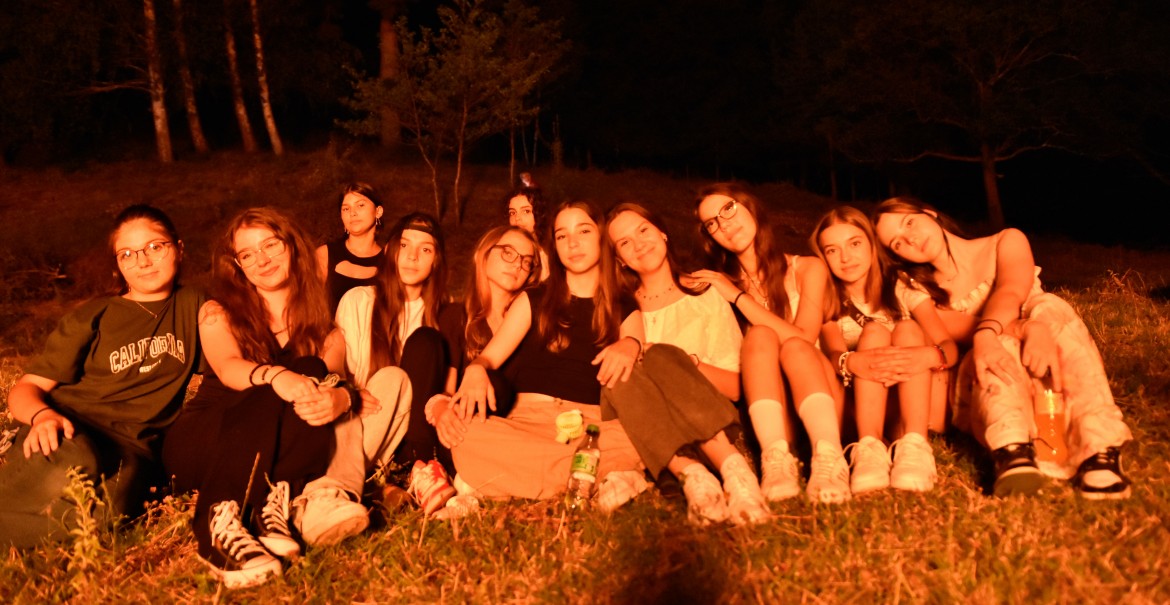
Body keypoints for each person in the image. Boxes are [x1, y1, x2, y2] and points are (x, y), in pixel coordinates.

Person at [872, 197, 1133, 499]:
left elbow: (1011, 290)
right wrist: (1009, 332)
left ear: (929, 213)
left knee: (1048, 307)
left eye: (909, 223)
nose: (910, 239)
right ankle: (1011, 449)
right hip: (984, 380)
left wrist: (1011, 330)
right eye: (897, 243)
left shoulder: (1005, 241)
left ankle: (1098, 447)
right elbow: (965, 330)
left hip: (1048, 364)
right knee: (1003, 343)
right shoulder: (916, 290)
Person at [163, 207, 354, 588]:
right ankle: (216, 524)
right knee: (271, 389)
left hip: (272, 452)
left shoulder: (326, 330)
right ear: (238, 265)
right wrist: (276, 376)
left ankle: (270, 504)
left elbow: (333, 382)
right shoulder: (218, 312)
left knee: (313, 369)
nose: (262, 260)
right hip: (208, 439)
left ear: (292, 246)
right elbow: (229, 367)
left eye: (271, 245)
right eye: (248, 254)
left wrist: (341, 399)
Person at [1, 205, 203, 548]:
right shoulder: (96, 315)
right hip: (70, 426)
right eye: (127, 254)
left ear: (179, 248)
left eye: (155, 247)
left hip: (132, 448)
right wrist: (42, 415)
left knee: (110, 514)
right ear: (118, 265)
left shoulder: (196, 306)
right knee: (76, 464)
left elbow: (228, 362)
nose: (143, 261)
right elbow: (27, 387)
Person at [442, 202, 644, 507]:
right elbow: (489, 358)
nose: (572, 243)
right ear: (554, 246)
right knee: (468, 432)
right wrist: (475, 369)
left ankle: (499, 481)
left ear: (602, 237)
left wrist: (632, 344)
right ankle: (594, 474)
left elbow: (635, 363)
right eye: (562, 236)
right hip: (526, 422)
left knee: (637, 435)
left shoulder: (624, 306)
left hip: (590, 426)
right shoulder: (533, 299)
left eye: (583, 231)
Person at [605, 202, 771, 525]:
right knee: (622, 365)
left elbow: (736, 388)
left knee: (657, 355)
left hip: (712, 425)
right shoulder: (618, 310)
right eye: (624, 242)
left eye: (643, 230)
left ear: (663, 233)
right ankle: (694, 479)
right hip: (652, 434)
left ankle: (735, 473)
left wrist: (680, 362)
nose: (639, 244)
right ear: (619, 259)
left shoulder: (705, 293)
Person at [691, 183, 849, 504]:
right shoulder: (718, 285)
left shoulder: (806, 268)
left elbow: (804, 337)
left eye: (728, 209)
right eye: (712, 223)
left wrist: (739, 298)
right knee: (760, 336)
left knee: (792, 346)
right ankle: (776, 460)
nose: (724, 224)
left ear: (750, 207)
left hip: (819, 395)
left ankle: (830, 457)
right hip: (770, 409)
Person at [810, 206, 958, 493]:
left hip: (913, 402)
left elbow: (949, 346)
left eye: (854, 244)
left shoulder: (901, 286)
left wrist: (927, 355)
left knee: (907, 328)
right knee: (874, 332)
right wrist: (854, 362)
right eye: (832, 250)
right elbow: (833, 354)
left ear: (871, 244)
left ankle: (916, 446)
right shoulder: (827, 298)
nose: (845, 257)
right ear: (823, 257)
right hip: (863, 405)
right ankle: (870, 449)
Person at [327, 212, 462, 517]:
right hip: (368, 421)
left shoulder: (443, 313)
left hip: (417, 431)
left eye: (425, 249)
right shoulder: (358, 300)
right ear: (389, 250)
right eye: (404, 245)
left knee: (426, 342)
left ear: (436, 261)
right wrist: (352, 395)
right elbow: (340, 373)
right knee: (392, 379)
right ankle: (362, 484)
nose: (412, 257)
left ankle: (409, 474)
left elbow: (443, 389)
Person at [316, 182, 385, 314]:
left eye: (360, 205)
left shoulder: (390, 260)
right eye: (346, 209)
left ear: (378, 211)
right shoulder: (324, 255)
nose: (353, 213)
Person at [505, 184, 551, 281]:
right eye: (512, 213)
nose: (517, 218)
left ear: (540, 213)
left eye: (526, 211)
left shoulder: (548, 254)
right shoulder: (504, 252)